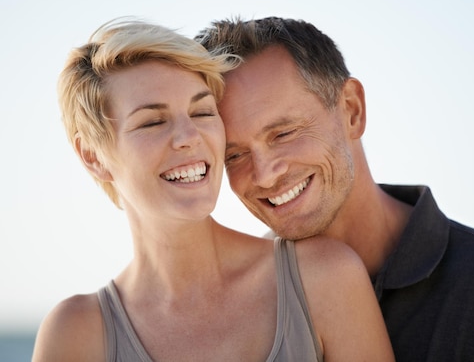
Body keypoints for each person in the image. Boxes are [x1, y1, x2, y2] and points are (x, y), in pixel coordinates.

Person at [196, 16, 474, 361]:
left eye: (284, 133)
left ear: (351, 110)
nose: (264, 175)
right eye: (234, 155)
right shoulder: (236, 303)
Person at [31, 19, 395, 362]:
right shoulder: (74, 335)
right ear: (93, 156)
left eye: (203, 112)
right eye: (153, 121)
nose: (189, 138)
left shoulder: (324, 278)